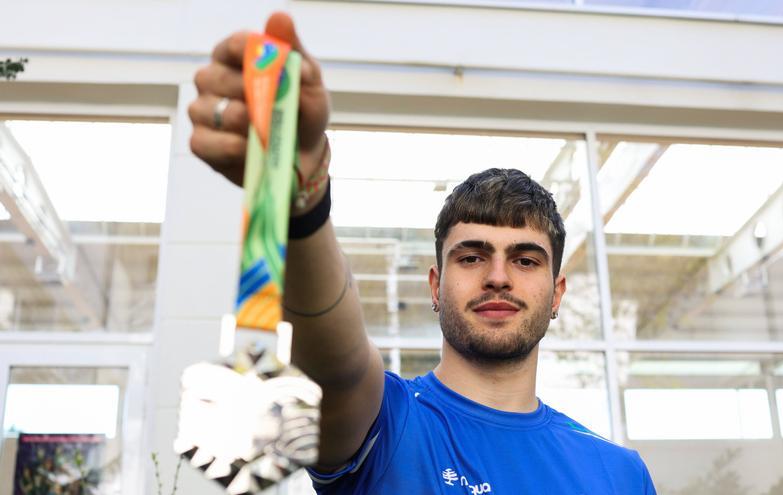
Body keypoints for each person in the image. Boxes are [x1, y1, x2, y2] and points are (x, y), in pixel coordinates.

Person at [188, 11, 657, 494]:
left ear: (557, 293)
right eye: (471, 257)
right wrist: (303, 205)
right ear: (436, 286)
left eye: (525, 260)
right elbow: (339, 369)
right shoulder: (386, 421)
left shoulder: (619, 474)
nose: (498, 276)